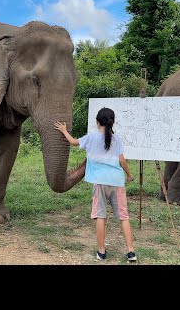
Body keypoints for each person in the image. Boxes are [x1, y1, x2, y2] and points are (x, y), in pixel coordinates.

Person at [54, 107, 137, 262]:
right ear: (112, 122)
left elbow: (73, 142)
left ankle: (101, 251)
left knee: (100, 216)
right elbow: (122, 160)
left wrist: (64, 130)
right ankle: (131, 252)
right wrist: (130, 175)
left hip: (99, 183)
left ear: (98, 122)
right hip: (117, 182)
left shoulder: (91, 137)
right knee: (124, 217)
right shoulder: (117, 138)